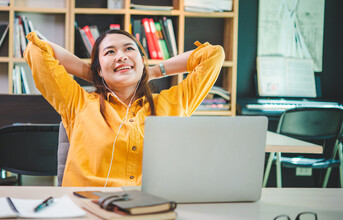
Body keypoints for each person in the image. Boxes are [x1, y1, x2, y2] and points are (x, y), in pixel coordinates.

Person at [24, 29, 224, 187]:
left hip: (154, 210)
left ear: (142, 61)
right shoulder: (78, 103)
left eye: (129, 49)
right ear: (99, 68)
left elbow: (213, 55)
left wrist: (152, 71)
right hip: (88, 211)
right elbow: (36, 50)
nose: (121, 56)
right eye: (110, 52)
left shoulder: (173, 103)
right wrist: (93, 74)